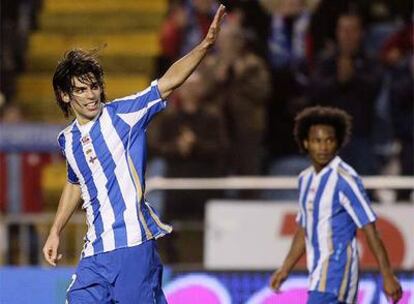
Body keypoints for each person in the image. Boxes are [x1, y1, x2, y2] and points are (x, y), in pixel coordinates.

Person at [42, 5, 226, 304]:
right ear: (65, 95)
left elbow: (168, 82)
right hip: (95, 252)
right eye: (81, 90)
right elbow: (76, 182)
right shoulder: (68, 140)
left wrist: (205, 45)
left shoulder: (125, 114)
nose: (91, 95)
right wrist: (55, 231)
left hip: (133, 247)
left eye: (94, 87)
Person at [269, 106, 402, 304]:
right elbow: (304, 227)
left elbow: (369, 228)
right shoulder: (304, 179)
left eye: (329, 140)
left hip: (337, 273)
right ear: (306, 143)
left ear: (337, 143)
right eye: (317, 141)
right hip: (317, 275)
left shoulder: (345, 179)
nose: (323, 147)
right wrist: (285, 268)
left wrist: (387, 275)